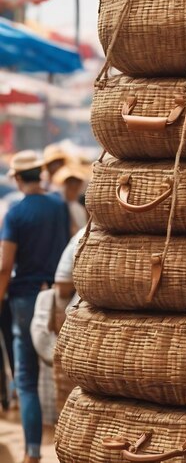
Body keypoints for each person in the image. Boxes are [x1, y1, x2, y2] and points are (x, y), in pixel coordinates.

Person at [0, 150, 70, 463]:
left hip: (25, 298)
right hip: (57, 297)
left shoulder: (16, 213)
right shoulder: (59, 206)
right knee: (64, 373)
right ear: (40, 173)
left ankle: (31, 453)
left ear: (16, 178)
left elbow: (5, 264)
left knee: (26, 379)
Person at [52, 165, 88, 236]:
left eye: (76, 182)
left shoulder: (80, 209)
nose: (73, 185)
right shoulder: (57, 205)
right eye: (70, 182)